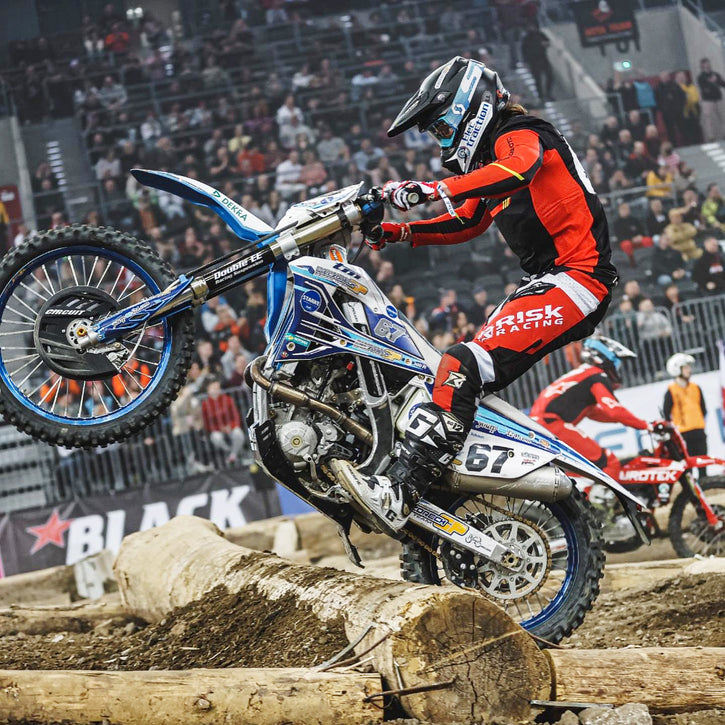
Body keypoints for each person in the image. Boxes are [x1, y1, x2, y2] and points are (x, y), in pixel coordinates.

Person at [338, 56, 617, 533]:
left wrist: (430, 188)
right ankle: (446, 492)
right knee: (449, 379)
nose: (440, 138)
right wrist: (397, 233)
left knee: (462, 364)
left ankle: (405, 489)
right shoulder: (493, 162)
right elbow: (467, 220)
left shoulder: (520, 134)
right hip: (547, 282)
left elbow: (519, 168)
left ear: (473, 105)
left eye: (441, 124)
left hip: (579, 278)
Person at [531, 337, 653, 479]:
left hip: (541, 424)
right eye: (617, 364)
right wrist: (646, 425)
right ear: (606, 359)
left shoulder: (585, 373)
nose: (618, 370)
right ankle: (604, 499)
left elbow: (594, 413)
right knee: (609, 462)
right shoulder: (596, 376)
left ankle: (582, 498)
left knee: (582, 469)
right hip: (551, 424)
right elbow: (614, 411)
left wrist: (627, 421)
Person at [663, 353, 707, 457]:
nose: (689, 370)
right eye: (686, 368)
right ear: (677, 369)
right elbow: (666, 414)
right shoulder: (671, 391)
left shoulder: (696, 387)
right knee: (687, 467)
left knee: (702, 462)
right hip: (683, 433)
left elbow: (703, 409)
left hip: (699, 430)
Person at [697, 58, 725, 142]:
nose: (708, 65)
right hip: (707, 100)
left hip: (718, 99)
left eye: (708, 64)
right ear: (702, 66)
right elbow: (703, 88)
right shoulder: (701, 77)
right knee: (708, 118)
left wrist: (718, 80)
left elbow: (723, 84)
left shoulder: (715, 74)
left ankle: (724, 134)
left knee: (723, 117)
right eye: (705, 64)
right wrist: (711, 82)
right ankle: (711, 137)